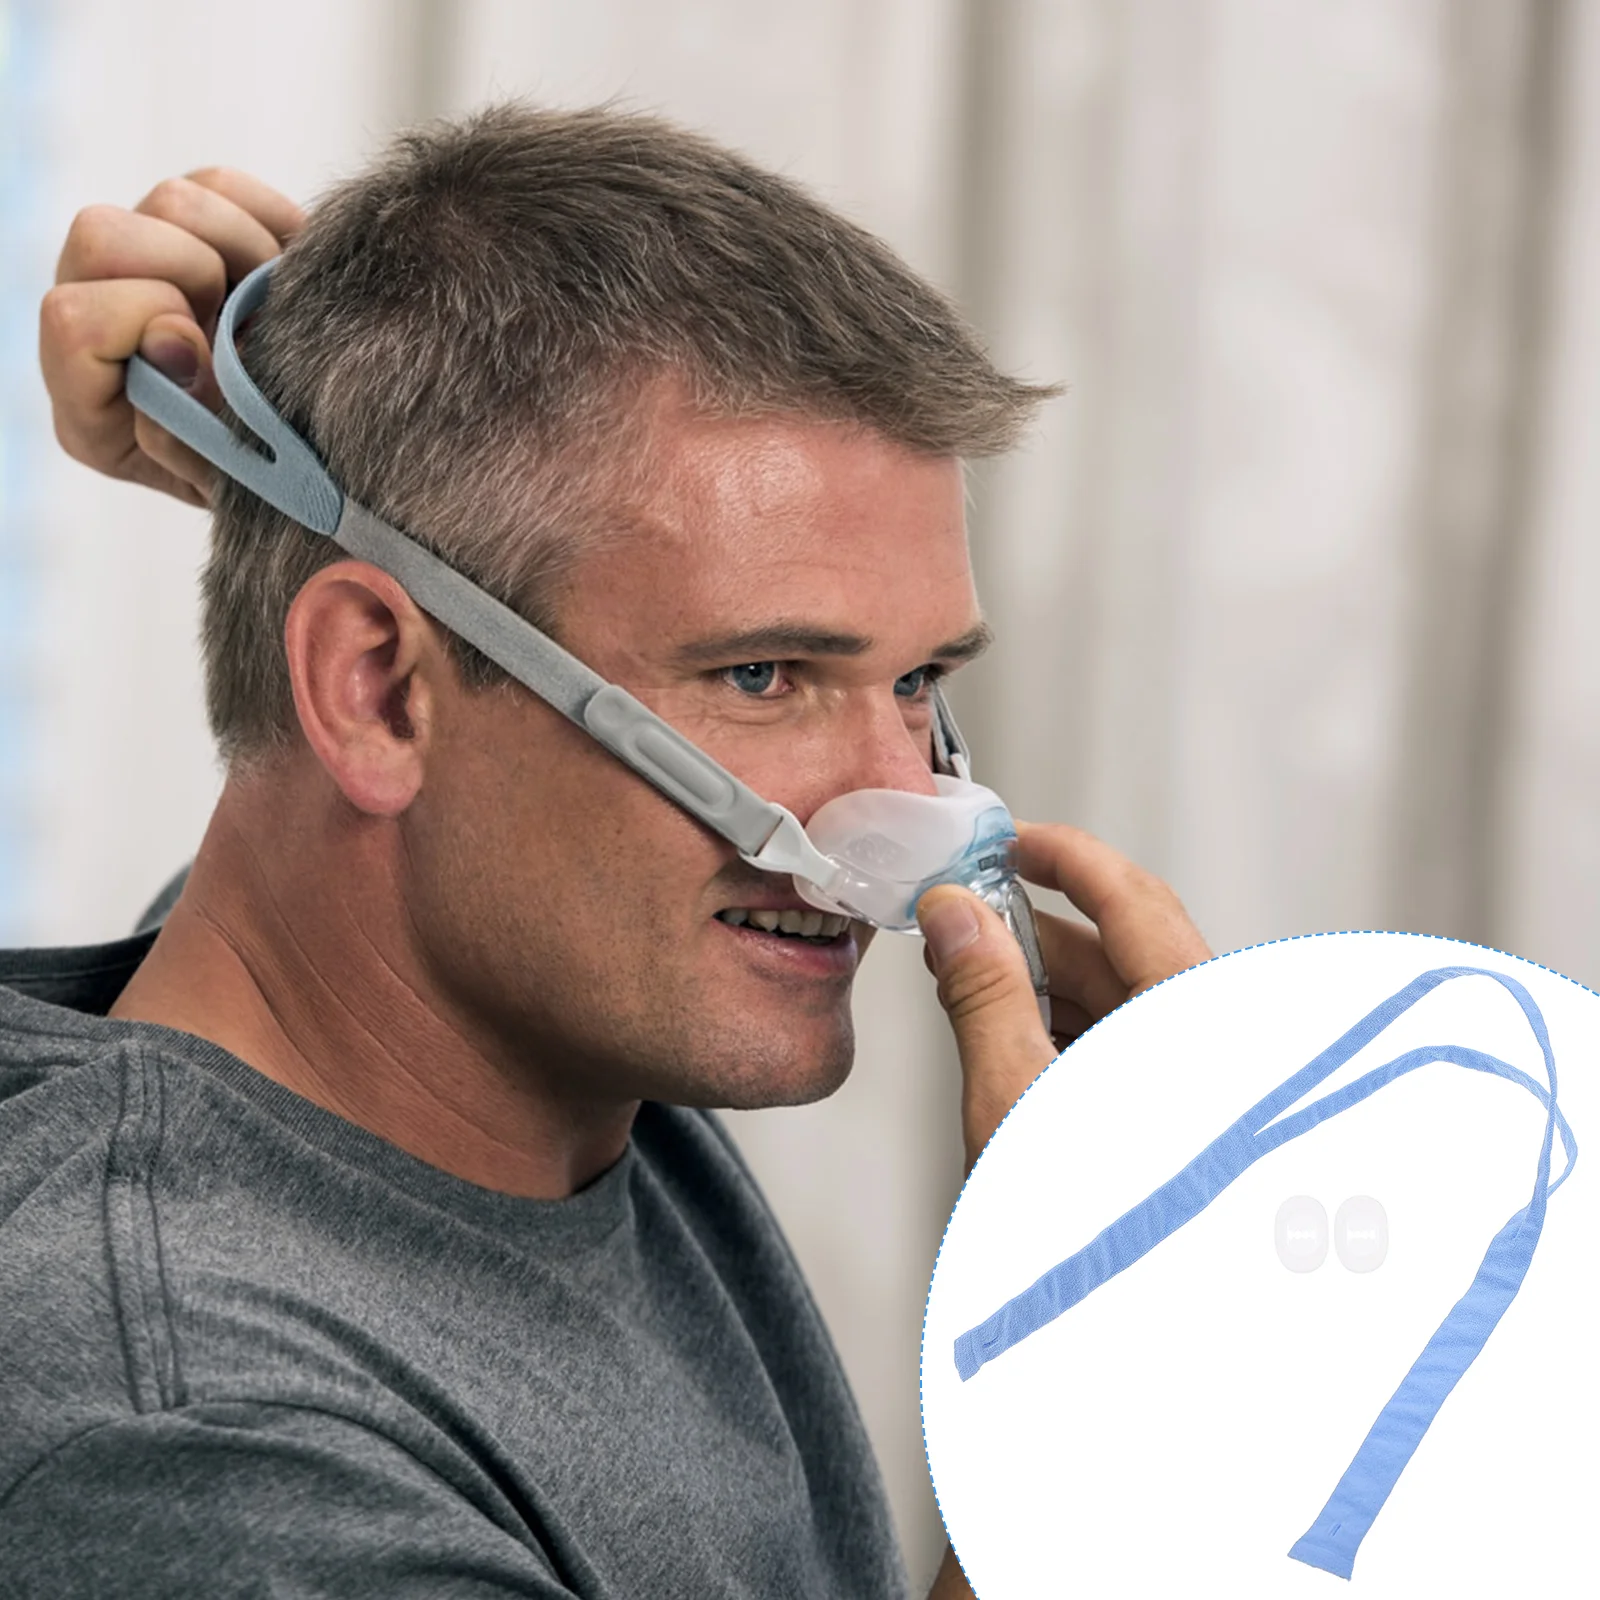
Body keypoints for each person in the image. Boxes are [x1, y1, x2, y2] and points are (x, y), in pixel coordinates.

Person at [3, 105, 1209, 1596]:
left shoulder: (532, 1039)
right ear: (375, 693)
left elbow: (350, 761)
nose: (906, 816)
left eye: (917, 682)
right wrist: (1110, 1375)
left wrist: (305, 456)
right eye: (765, 675)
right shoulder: (200, 1444)